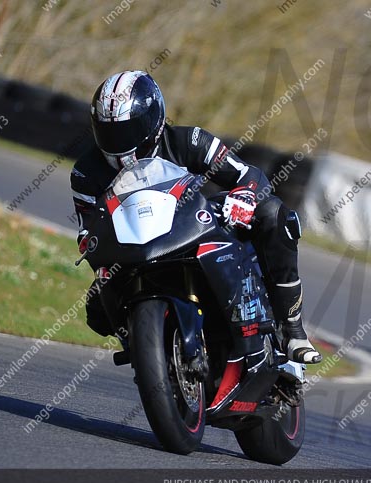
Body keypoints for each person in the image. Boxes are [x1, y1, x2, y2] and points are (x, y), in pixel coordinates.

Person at [70, 71, 321, 401]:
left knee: (274, 214)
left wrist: (244, 196)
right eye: (109, 131)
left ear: (153, 120)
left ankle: (292, 329)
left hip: (192, 224)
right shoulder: (86, 172)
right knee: (96, 307)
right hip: (135, 244)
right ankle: (148, 350)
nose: (118, 141)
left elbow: (248, 174)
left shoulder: (188, 141)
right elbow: (89, 229)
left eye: (128, 130)